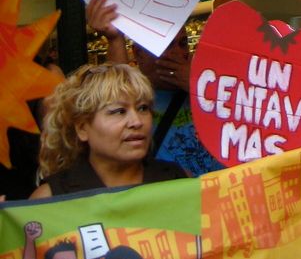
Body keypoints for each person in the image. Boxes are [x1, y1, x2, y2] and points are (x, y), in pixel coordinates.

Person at [86, 0, 220, 177]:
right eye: (167, 45)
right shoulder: (137, 101)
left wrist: (200, 87)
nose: (179, 53)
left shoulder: (209, 89)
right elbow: (119, 89)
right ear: (139, 53)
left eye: (183, 43)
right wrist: (114, 39)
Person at [30, 62, 186, 197]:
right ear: (82, 128)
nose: (136, 122)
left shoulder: (179, 183)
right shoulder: (50, 200)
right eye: (119, 111)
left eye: (143, 108)